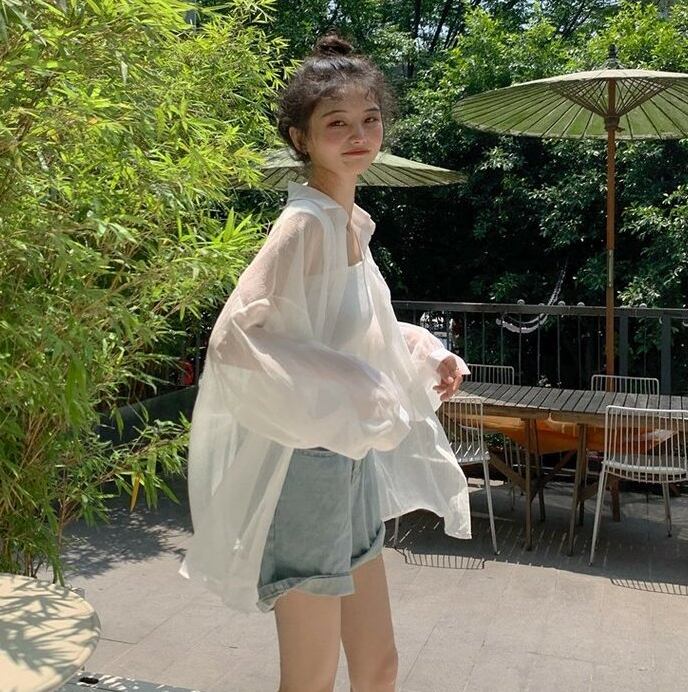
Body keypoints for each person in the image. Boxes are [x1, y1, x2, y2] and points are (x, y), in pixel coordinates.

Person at [179, 33, 472, 692]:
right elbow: (235, 338)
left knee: (379, 666)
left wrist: (428, 351)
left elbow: (353, 329)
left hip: (348, 459)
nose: (359, 134)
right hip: (305, 468)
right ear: (301, 138)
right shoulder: (306, 222)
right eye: (336, 123)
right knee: (311, 679)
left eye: (370, 118)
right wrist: (356, 381)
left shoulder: (348, 222)